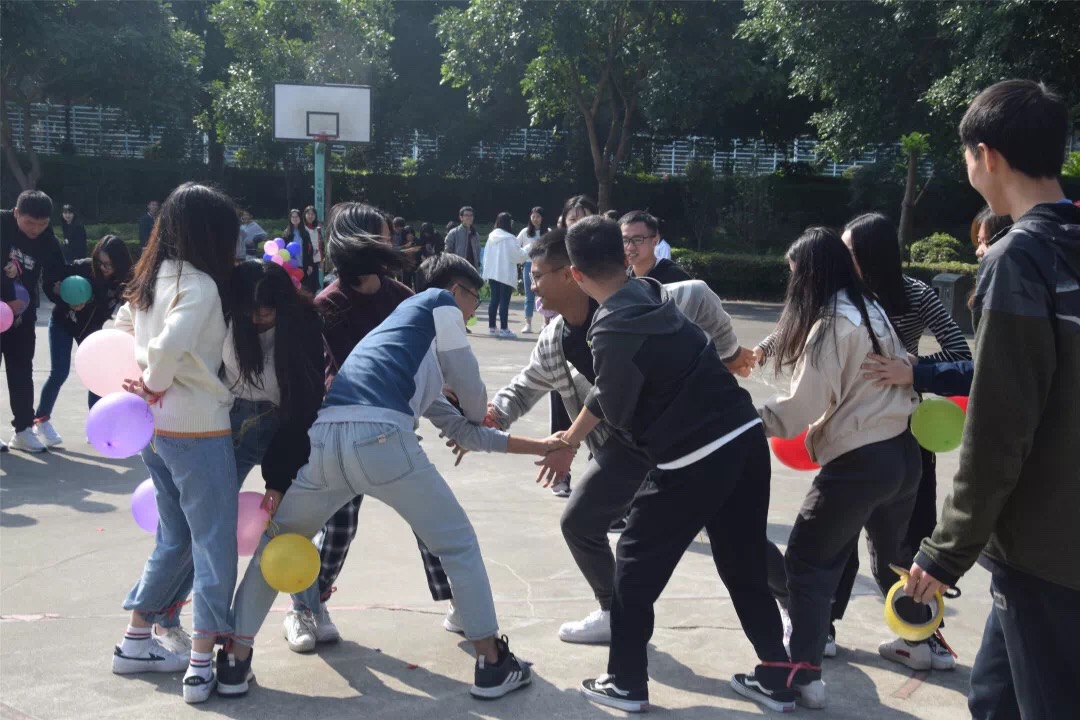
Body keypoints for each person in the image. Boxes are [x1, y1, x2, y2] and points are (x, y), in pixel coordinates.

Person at [220, 252, 556, 701]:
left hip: (327, 441)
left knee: (277, 540)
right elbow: (472, 396)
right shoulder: (437, 302)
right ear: (455, 291)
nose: (472, 312)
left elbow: (464, 432)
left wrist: (543, 445)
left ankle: (234, 661)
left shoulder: (403, 348)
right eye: (473, 298)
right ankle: (493, 663)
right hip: (381, 438)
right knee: (457, 545)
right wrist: (479, 408)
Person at [543, 216, 792, 714]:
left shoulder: (609, 327)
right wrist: (571, 436)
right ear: (625, 256)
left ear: (575, 274)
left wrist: (576, 437)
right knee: (742, 560)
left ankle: (625, 683)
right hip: (744, 436)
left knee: (634, 565)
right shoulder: (653, 294)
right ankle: (779, 675)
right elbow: (612, 391)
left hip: (693, 456)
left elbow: (616, 409)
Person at [484, 228, 755, 647]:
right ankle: (614, 613)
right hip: (626, 445)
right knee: (580, 522)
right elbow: (524, 387)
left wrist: (730, 354)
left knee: (730, 535)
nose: (532, 286)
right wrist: (492, 416)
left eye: (537, 276)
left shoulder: (640, 300)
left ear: (570, 273)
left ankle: (796, 605)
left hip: (681, 438)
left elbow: (699, 295)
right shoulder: (554, 340)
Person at [904, 79, 1080, 720]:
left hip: (1046, 550)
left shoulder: (1019, 258)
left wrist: (946, 548)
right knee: (993, 698)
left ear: (988, 155)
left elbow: (1000, 427)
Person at [758, 227, 921, 709]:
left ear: (810, 276)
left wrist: (746, 420)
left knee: (807, 563)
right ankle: (920, 640)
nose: (792, 288)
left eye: (794, 277)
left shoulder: (831, 324)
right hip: (903, 453)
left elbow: (802, 408)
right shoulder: (870, 308)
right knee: (893, 560)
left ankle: (803, 674)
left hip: (860, 462)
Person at [281, 203, 455, 652]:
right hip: (342, 433)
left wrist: (449, 396)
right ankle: (306, 606)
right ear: (358, 242)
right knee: (339, 527)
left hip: (395, 428)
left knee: (430, 517)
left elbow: (424, 358)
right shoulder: (329, 304)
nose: (391, 242)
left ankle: (461, 600)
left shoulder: (401, 296)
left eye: (390, 235)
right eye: (382, 236)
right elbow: (342, 375)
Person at [109, 182, 240, 704]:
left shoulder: (150, 278)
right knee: (212, 545)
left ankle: (135, 641)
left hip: (153, 429)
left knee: (174, 537)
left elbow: (120, 329)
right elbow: (168, 347)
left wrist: (143, 383)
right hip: (197, 426)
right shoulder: (199, 284)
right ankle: (201, 663)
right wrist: (155, 379)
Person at [224, 259, 325, 500]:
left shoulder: (304, 326)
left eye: (265, 315)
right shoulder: (226, 316)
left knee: (289, 512)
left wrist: (278, 481)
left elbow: (305, 403)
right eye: (248, 313)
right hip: (230, 419)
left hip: (283, 424)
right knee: (217, 506)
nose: (255, 321)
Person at [33, 235, 133, 446]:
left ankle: (96, 425)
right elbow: (51, 282)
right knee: (59, 372)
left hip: (91, 329)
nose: (103, 268)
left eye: (109, 264)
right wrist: (63, 296)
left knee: (97, 376)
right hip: (63, 322)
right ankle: (41, 420)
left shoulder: (125, 280)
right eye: (100, 262)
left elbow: (132, 307)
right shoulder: (83, 267)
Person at [1, 190, 68, 453]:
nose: (35, 230)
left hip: (22, 315)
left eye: (42, 224)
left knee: (21, 370)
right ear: (16, 213)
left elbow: (55, 277)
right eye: (29, 223)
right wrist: (7, 294)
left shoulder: (47, 240)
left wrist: (65, 295)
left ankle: (23, 430)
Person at [544, 195, 599, 497]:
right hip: (564, 338)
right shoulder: (555, 253)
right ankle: (560, 473)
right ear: (563, 222)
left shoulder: (604, 250)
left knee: (601, 403)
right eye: (573, 218)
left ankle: (598, 470)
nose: (578, 223)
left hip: (599, 335)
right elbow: (542, 297)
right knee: (562, 404)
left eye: (585, 217)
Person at [481, 212, 528, 338]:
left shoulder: (491, 237)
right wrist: (528, 248)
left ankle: (492, 327)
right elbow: (518, 257)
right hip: (505, 274)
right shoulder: (510, 238)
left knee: (494, 300)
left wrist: (486, 272)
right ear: (508, 223)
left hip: (493, 273)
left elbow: (486, 256)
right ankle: (504, 328)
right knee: (504, 302)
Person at [619, 211, 690, 283]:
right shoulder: (622, 279)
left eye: (637, 240)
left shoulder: (676, 278)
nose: (630, 247)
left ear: (655, 240)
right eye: (625, 240)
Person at [516, 206, 546, 334]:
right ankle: (528, 324)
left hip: (544, 266)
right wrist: (523, 254)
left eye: (538, 216)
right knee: (529, 295)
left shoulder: (547, 232)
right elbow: (516, 246)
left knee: (544, 294)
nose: (535, 219)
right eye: (533, 216)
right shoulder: (525, 232)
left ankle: (545, 322)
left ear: (542, 218)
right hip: (529, 265)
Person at [282, 208, 318, 295]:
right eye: (293, 217)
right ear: (290, 219)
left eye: (296, 216)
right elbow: (283, 250)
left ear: (300, 218)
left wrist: (310, 265)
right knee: (293, 290)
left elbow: (310, 250)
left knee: (305, 290)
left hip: (303, 265)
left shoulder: (305, 232)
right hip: (291, 266)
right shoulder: (287, 233)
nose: (295, 218)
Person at [303, 205, 323, 287]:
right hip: (305, 262)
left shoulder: (317, 229)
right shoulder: (302, 229)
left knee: (314, 287)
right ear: (305, 215)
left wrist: (321, 260)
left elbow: (320, 245)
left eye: (312, 214)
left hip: (315, 262)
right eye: (308, 214)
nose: (310, 216)